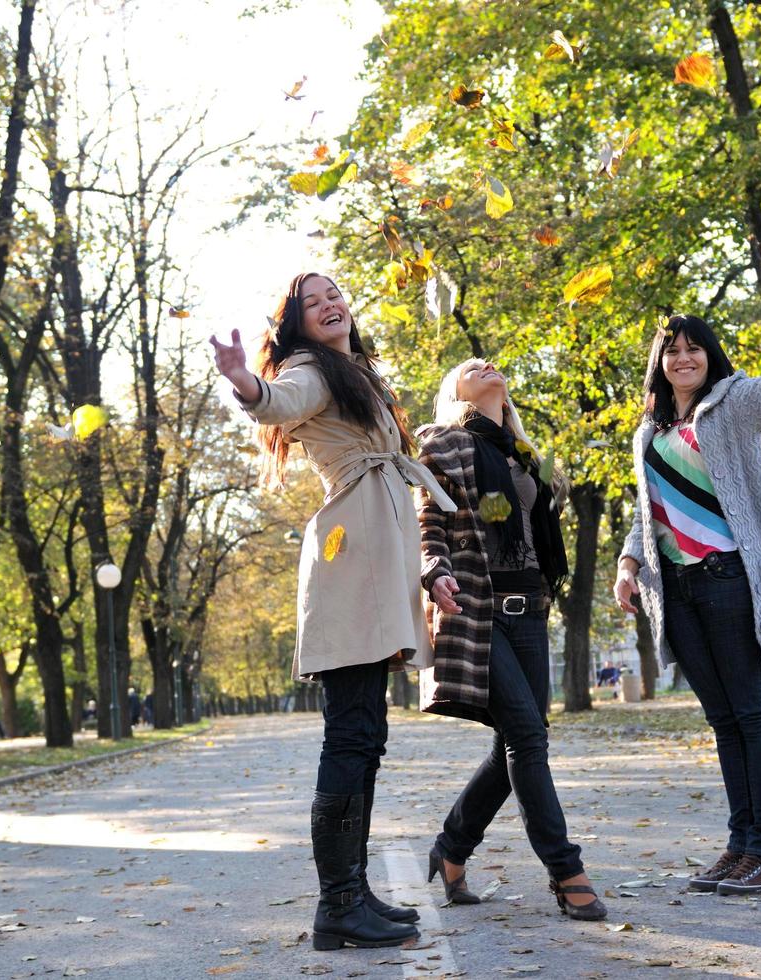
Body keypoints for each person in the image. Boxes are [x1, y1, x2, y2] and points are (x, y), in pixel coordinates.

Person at [211, 271, 455, 952]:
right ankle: (338, 904)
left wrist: (426, 569)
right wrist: (245, 383)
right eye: (312, 302)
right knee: (352, 733)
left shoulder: (358, 374)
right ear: (296, 325)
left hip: (376, 546)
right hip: (352, 555)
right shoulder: (310, 369)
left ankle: (351, 893)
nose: (329, 304)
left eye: (333, 295)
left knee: (366, 732)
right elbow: (276, 400)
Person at [614, 245, 761, 896]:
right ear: (661, 363)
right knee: (723, 720)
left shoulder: (735, 402)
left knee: (753, 713)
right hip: (674, 590)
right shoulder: (651, 429)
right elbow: (650, 509)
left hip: (730, 581)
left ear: (709, 358)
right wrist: (627, 562)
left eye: (694, 349)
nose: (683, 358)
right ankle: (740, 847)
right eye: (672, 350)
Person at [415, 358, 607, 922]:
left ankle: (451, 849)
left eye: (493, 364)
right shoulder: (444, 445)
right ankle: (566, 871)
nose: (488, 365)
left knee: (516, 743)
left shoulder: (523, 453)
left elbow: (531, 527)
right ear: (455, 390)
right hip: (479, 608)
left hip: (530, 609)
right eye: (473, 366)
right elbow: (430, 521)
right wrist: (434, 571)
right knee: (526, 735)